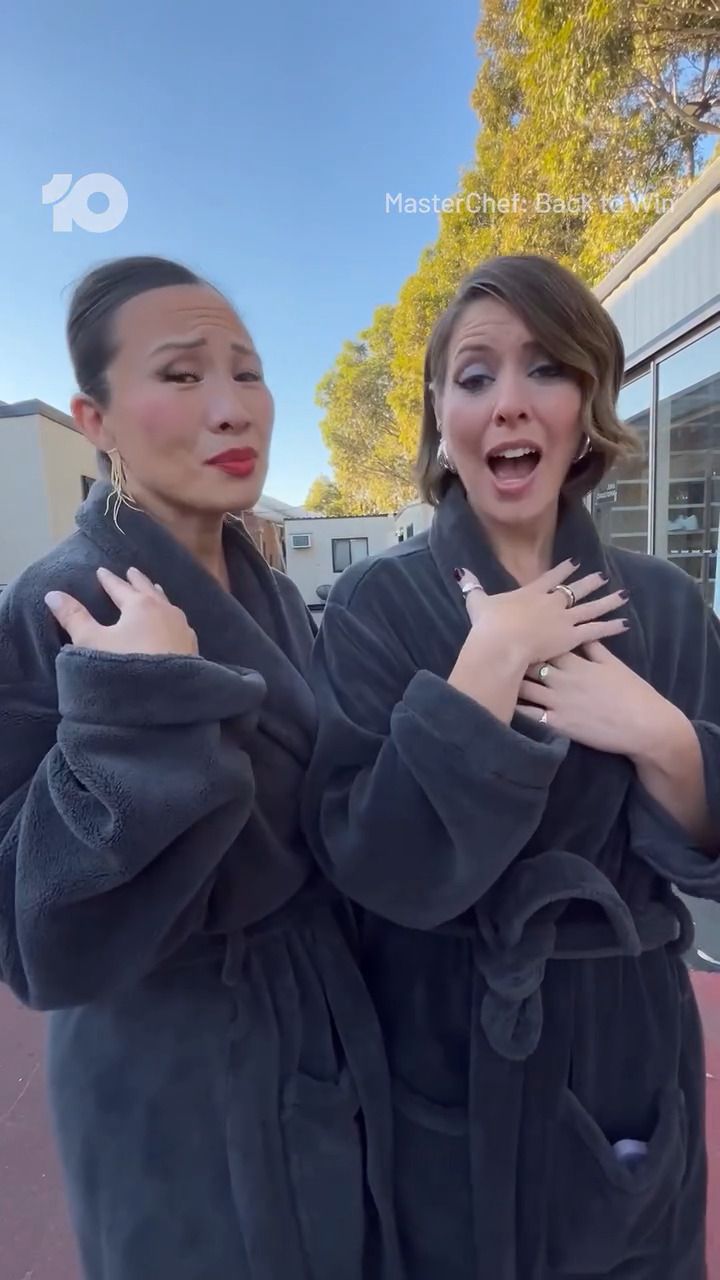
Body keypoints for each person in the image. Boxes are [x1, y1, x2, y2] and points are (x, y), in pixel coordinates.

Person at [303, 254, 719, 1279]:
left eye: (546, 369)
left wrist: (664, 737)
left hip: (626, 1039)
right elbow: (372, 863)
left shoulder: (667, 606)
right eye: (475, 375)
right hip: (449, 1034)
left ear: (588, 401)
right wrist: (487, 664)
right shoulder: (374, 607)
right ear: (440, 414)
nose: (508, 403)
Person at [0, 256, 401, 1280]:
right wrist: (134, 715)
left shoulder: (270, 590)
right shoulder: (57, 605)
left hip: (317, 1029)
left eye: (247, 372)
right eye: (181, 375)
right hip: (170, 1085)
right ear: (95, 420)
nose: (232, 408)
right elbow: (29, 939)